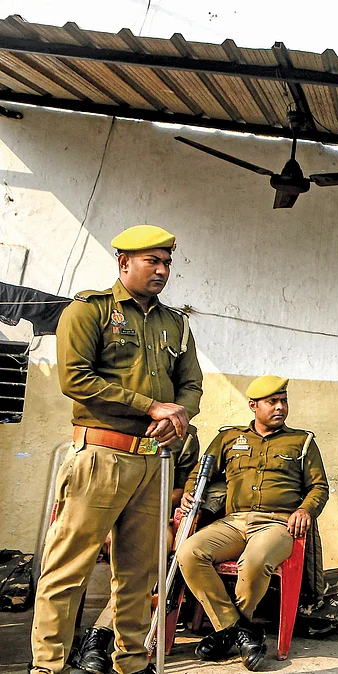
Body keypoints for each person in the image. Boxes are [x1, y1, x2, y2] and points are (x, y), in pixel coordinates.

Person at [32, 224, 202, 674]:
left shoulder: (176, 324)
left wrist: (178, 417)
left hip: (152, 461)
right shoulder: (89, 311)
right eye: (153, 261)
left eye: (167, 262)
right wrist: (151, 406)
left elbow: (191, 385)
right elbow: (76, 379)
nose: (162, 270)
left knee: (139, 573)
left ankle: (131, 661)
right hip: (100, 457)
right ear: (124, 262)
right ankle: (48, 665)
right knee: (68, 569)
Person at [177, 376, 328, 671]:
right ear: (253, 406)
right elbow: (201, 473)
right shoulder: (228, 438)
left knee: (255, 561)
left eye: (283, 401)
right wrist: (189, 493)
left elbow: (319, 487)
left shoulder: (302, 442)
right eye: (272, 402)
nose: (280, 407)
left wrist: (305, 510)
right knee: (189, 552)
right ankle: (240, 631)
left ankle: (228, 632)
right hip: (233, 522)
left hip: (277, 524)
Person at [70, 426, 201, 674]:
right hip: (103, 512)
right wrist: (108, 525)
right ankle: (59, 654)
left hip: (152, 518)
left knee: (148, 557)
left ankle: (98, 636)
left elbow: (181, 488)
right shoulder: (112, 423)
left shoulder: (185, 437)